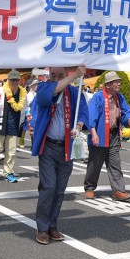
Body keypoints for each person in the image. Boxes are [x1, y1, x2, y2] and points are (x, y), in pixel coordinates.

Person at [32, 65, 89, 244]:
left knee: (59, 189)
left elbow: (83, 113)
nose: (56, 78)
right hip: (48, 146)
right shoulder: (44, 87)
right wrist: (73, 76)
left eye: (60, 75)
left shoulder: (74, 92)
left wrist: (78, 126)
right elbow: (47, 95)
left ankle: (52, 225)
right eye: (53, 75)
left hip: (66, 146)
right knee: (49, 186)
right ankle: (42, 227)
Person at [84, 71, 130, 201]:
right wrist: (93, 133)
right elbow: (92, 115)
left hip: (113, 135)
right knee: (95, 164)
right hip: (100, 134)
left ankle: (118, 190)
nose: (119, 83)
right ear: (108, 84)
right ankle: (89, 187)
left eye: (119, 81)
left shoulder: (120, 97)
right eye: (116, 81)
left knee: (115, 164)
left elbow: (126, 112)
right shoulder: (98, 97)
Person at [0, 69, 27, 182]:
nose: (14, 82)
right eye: (12, 79)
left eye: (17, 80)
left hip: (14, 124)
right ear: (7, 80)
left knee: (11, 151)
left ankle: (8, 172)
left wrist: (28, 114)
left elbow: (25, 106)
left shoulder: (23, 92)